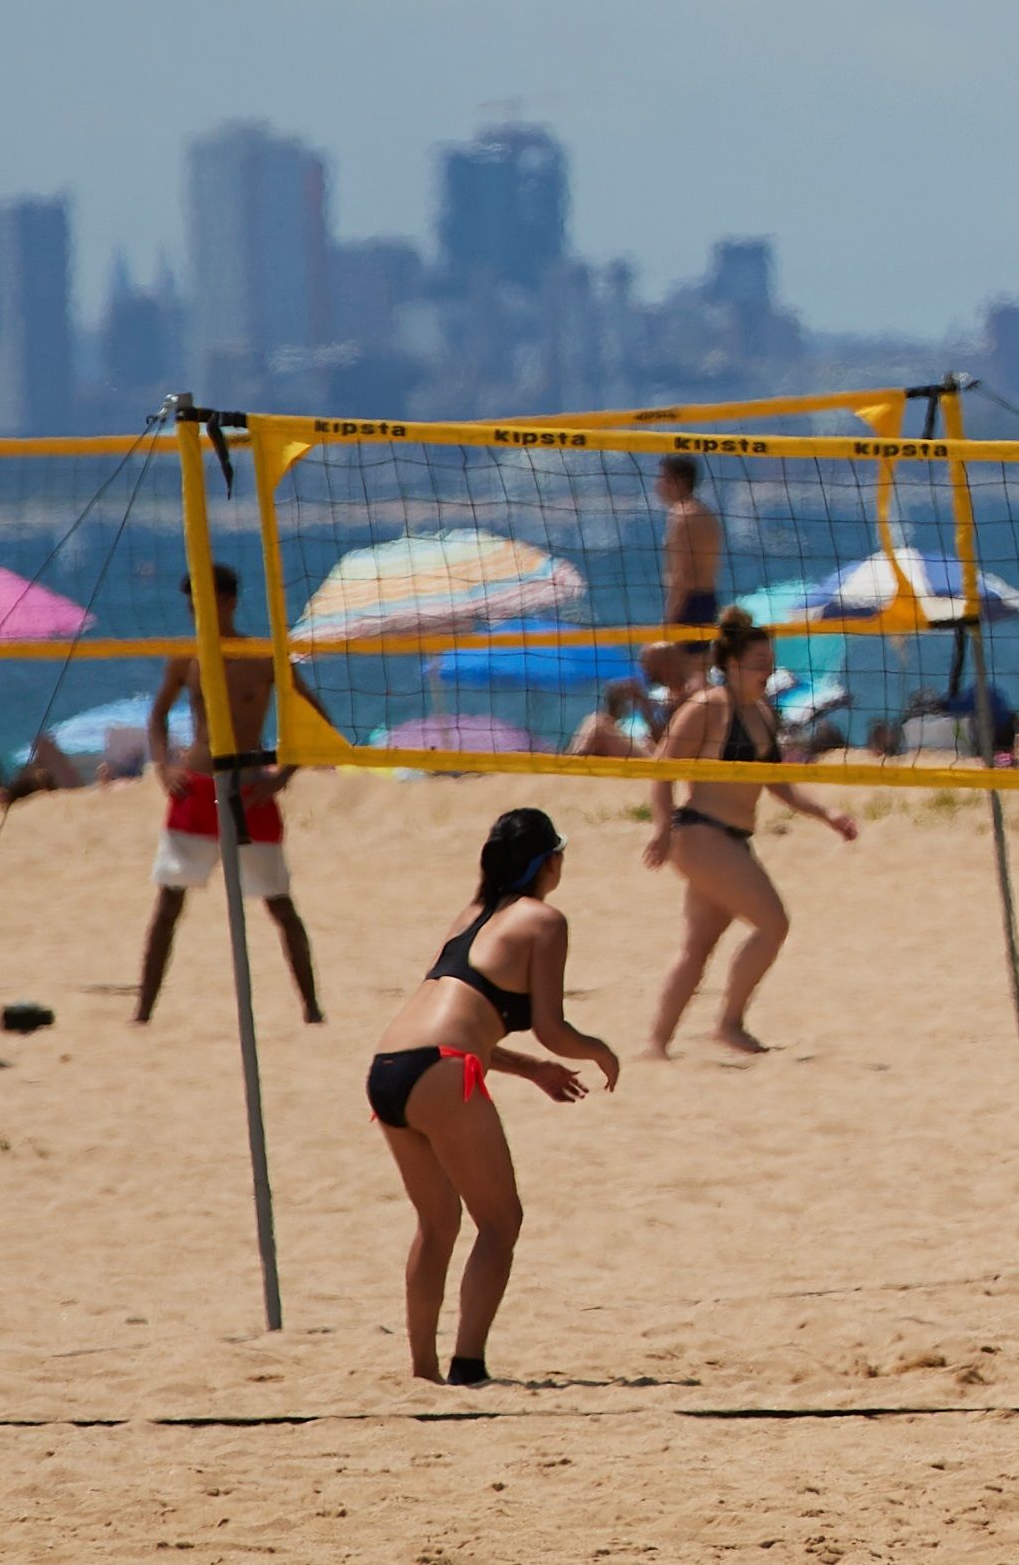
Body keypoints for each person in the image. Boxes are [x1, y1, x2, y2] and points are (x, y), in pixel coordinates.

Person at [369, 807, 616, 1385]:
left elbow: (458, 1021)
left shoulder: (471, 913)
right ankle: (468, 1366)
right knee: (500, 1223)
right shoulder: (544, 920)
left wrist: (532, 1069)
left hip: (388, 1067)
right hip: (444, 1071)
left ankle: (423, 1372)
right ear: (549, 862)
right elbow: (553, 1028)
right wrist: (598, 1050)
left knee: (437, 1225)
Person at [644, 610, 857, 1056]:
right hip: (702, 833)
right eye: (760, 661)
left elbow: (777, 783)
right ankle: (729, 1024)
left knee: (697, 946)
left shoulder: (761, 713)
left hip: (731, 838)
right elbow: (660, 770)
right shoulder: (707, 706)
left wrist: (829, 815)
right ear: (733, 664)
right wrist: (662, 828)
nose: (768, 670)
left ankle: (656, 1045)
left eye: (770, 662)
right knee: (773, 923)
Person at [139, 564, 322, 1027]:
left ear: (230, 602)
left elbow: (316, 718)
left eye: (205, 602)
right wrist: (163, 766)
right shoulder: (187, 655)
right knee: (169, 902)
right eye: (191, 604)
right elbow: (157, 716)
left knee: (279, 903)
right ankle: (142, 1012)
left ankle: (312, 1009)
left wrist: (283, 776)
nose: (196, 611)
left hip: (248, 788)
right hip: (197, 786)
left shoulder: (262, 655)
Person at [645, 453, 724, 709]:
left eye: (662, 478)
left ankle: (683, 730)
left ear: (677, 481)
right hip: (708, 599)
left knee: (661, 664)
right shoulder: (706, 514)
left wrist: (669, 619)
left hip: (689, 603)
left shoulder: (681, 516)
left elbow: (682, 576)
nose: (657, 485)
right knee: (699, 675)